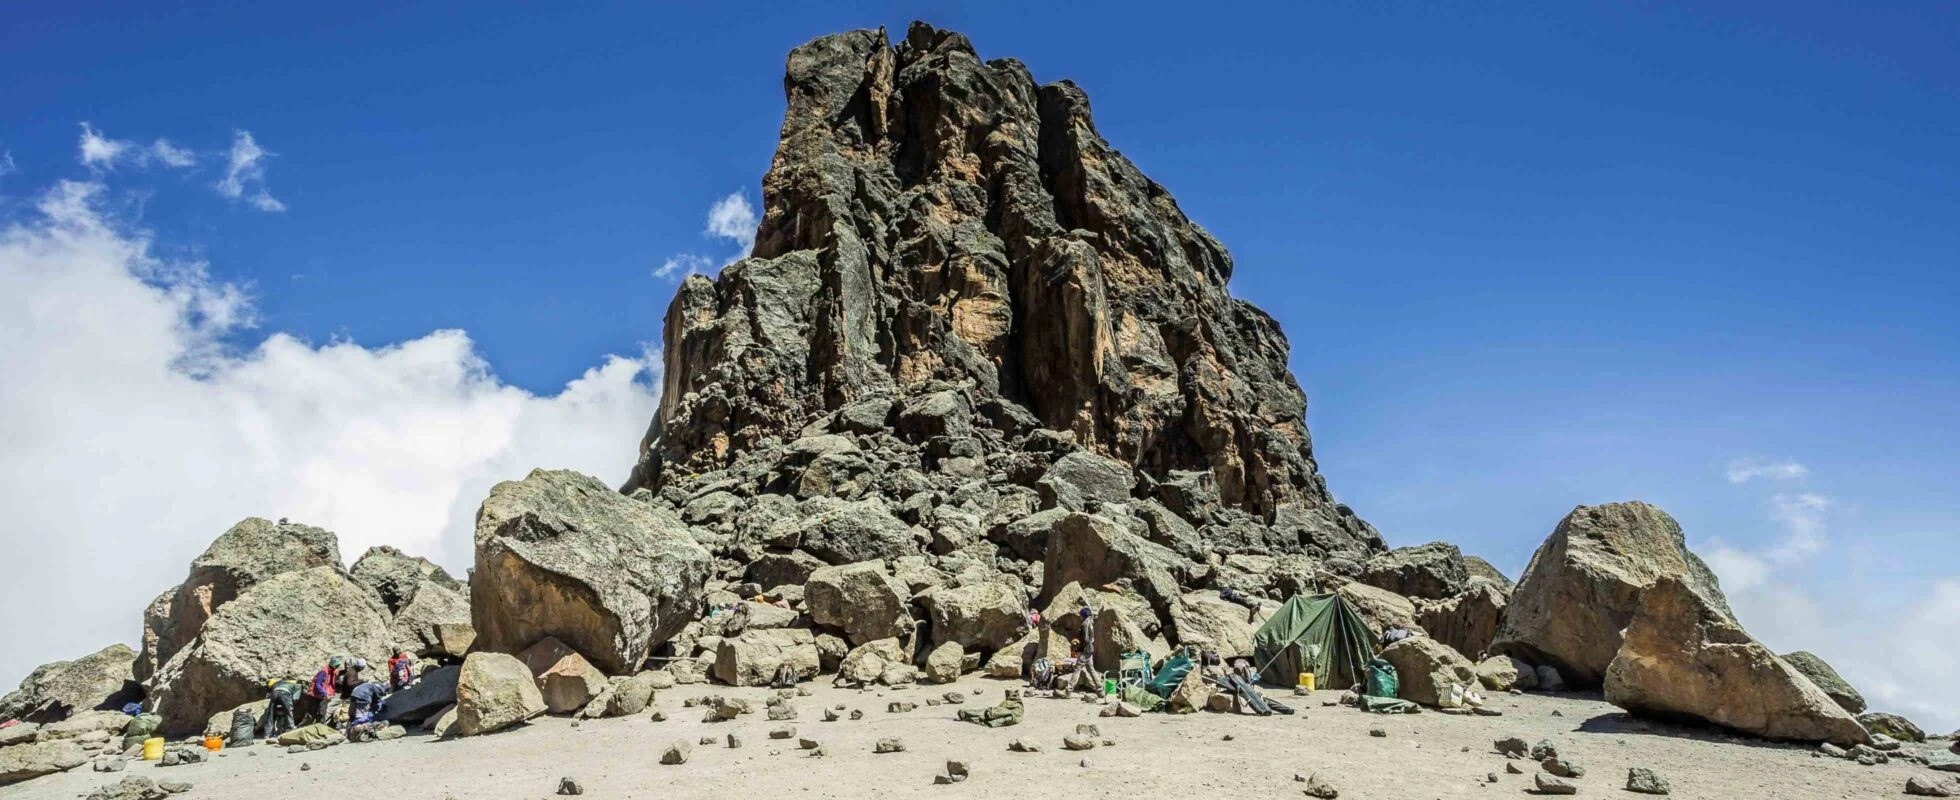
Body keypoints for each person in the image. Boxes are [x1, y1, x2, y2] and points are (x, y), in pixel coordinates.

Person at [307, 657, 342, 723]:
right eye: (337, 666)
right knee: (310, 716)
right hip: (315, 696)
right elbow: (318, 684)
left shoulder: (332, 672)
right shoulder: (324, 672)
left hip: (323, 696)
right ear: (334, 665)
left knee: (321, 715)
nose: (337, 667)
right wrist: (325, 694)